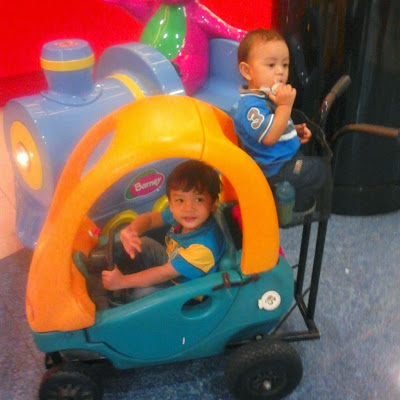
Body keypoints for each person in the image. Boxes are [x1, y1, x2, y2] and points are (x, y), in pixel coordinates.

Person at [233, 28, 329, 214]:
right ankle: (289, 205)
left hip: (287, 159)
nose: (280, 72)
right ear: (247, 71)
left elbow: (275, 124)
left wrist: (292, 130)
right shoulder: (250, 107)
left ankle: (291, 196)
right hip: (275, 171)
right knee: (320, 169)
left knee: (311, 161)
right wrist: (285, 106)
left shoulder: (266, 95)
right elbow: (269, 137)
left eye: (285, 65)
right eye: (271, 65)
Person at [101, 159, 226, 301]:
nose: (188, 208)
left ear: (213, 204)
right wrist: (132, 231)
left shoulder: (203, 248)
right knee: (144, 243)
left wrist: (122, 282)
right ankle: (123, 273)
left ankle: (124, 291)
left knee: (142, 294)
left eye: (198, 199)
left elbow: (163, 273)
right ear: (171, 204)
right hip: (170, 262)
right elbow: (149, 219)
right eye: (180, 200)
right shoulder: (181, 216)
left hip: (184, 290)